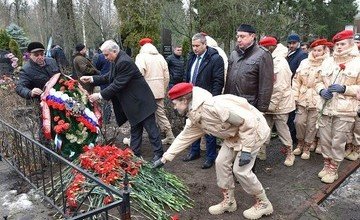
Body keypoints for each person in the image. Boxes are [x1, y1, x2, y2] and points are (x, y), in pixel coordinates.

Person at [153, 83, 273, 219]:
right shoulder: (194, 114)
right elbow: (184, 137)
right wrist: (165, 158)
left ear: (185, 100)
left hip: (253, 132)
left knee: (241, 170)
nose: (174, 107)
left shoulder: (212, 107)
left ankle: (264, 203)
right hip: (234, 135)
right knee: (221, 162)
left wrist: (246, 150)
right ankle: (229, 202)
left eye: (175, 103)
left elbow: (248, 121)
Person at [80, 40, 164, 162]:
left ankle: (159, 154)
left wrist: (99, 95)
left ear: (114, 51)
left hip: (142, 102)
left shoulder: (124, 62)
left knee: (151, 129)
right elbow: (109, 77)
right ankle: (135, 154)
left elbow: (117, 84)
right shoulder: (116, 60)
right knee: (135, 129)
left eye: (106, 54)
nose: (105, 57)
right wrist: (92, 79)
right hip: (134, 103)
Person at [315, 30, 360, 183]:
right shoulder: (327, 61)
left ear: (351, 43)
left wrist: (345, 89)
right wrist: (321, 90)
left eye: (342, 44)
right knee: (325, 139)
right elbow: (317, 81)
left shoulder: (357, 62)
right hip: (326, 107)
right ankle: (326, 164)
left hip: (344, 110)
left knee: (338, 141)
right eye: (337, 44)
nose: (339, 47)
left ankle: (334, 168)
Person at [183, 33, 224, 169]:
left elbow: (218, 81)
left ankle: (210, 156)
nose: (194, 48)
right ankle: (194, 152)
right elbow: (187, 76)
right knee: (193, 125)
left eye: (197, 46)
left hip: (207, 100)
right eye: (193, 46)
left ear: (204, 44)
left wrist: (213, 100)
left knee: (209, 129)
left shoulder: (215, 59)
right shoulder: (191, 58)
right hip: (191, 98)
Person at [257, 36, 295, 166]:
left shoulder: (280, 62)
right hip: (267, 103)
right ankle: (261, 151)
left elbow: (280, 87)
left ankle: (290, 153)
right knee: (264, 128)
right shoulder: (267, 59)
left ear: (269, 48)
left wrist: (270, 105)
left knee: (282, 129)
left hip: (280, 103)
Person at [292, 39, 332, 159]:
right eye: (314, 50)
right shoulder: (304, 62)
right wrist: (295, 96)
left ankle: (307, 146)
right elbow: (296, 80)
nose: (316, 53)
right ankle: (300, 143)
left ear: (325, 50)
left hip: (317, 98)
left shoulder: (328, 63)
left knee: (312, 124)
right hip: (303, 97)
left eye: (319, 50)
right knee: (299, 122)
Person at [15, 42, 60, 145]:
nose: (40, 57)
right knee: (45, 129)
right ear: (30, 55)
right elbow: (20, 87)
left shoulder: (52, 62)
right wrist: (30, 92)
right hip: (41, 105)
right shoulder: (26, 70)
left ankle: (63, 151)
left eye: (42, 54)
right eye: (36, 55)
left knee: (61, 125)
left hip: (58, 101)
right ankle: (48, 153)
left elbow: (59, 76)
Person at [224, 24, 274, 113]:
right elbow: (228, 81)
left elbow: (266, 86)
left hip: (249, 107)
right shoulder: (234, 54)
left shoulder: (263, 55)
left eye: (242, 36)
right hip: (231, 105)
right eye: (238, 36)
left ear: (252, 36)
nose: (239, 39)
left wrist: (261, 110)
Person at [135, 37, 175, 145]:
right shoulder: (160, 57)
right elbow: (167, 76)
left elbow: (139, 75)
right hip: (158, 91)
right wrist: (162, 88)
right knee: (161, 114)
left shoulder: (141, 57)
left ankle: (135, 140)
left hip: (146, 92)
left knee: (141, 115)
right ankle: (170, 136)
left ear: (141, 46)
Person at [286, 33, 308, 147]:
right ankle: (293, 137)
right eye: (289, 43)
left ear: (298, 43)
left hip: (296, 88)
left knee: (294, 116)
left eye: (293, 43)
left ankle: (296, 139)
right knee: (290, 115)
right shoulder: (289, 54)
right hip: (288, 87)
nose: (291, 45)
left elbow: (301, 75)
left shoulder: (302, 55)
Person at [92, 45, 112, 124]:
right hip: (112, 79)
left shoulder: (100, 56)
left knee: (106, 100)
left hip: (104, 80)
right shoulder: (117, 56)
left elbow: (97, 67)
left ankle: (106, 119)